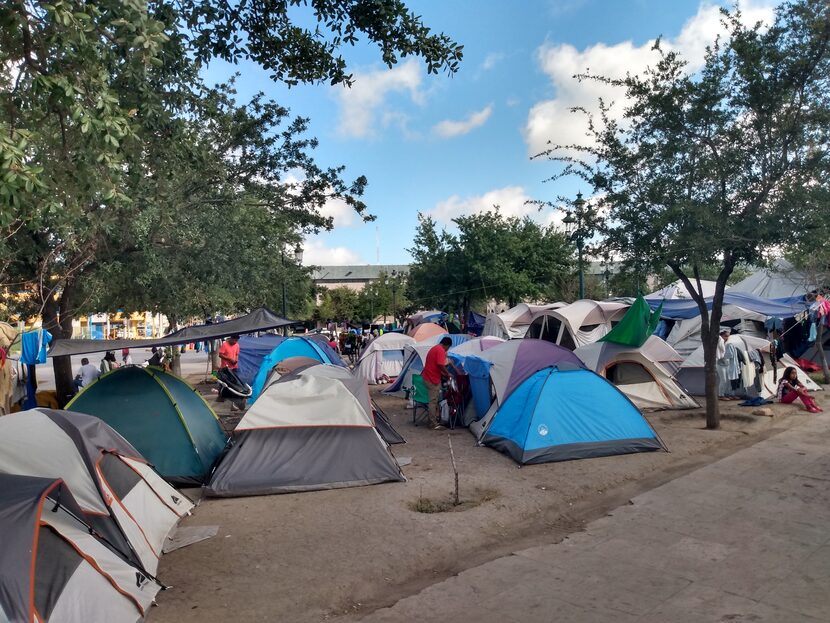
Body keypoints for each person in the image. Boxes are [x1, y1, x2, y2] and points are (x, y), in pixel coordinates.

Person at [422, 336, 453, 430]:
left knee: (434, 401)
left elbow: (437, 364)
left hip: (428, 376)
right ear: (447, 345)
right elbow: (440, 364)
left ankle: (434, 420)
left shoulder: (435, 348)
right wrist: (447, 374)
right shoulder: (440, 350)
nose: (448, 350)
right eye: (448, 347)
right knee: (433, 401)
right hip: (432, 379)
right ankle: (433, 424)